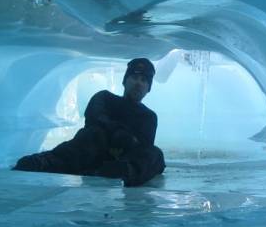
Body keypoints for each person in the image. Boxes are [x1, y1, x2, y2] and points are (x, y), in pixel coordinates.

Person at [13, 58, 165, 187]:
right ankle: (46, 162)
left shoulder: (149, 117)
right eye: (134, 77)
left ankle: (123, 171)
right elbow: (95, 118)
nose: (138, 83)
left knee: (156, 154)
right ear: (125, 81)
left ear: (148, 88)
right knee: (92, 134)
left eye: (144, 80)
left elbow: (143, 147)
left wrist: (128, 142)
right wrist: (117, 132)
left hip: (120, 161)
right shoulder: (104, 97)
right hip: (91, 152)